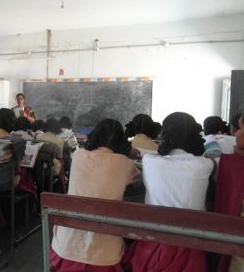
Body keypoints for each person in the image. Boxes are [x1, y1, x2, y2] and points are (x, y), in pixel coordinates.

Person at [124, 112, 214, 272]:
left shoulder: (150, 161)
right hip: (191, 251)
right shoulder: (205, 165)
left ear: (164, 134)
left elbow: (153, 155)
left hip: (152, 248)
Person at [51, 118, 140, 272]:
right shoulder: (126, 164)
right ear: (122, 140)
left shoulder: (77, 155)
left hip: (65, 247)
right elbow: (137, 179)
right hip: (104, 256)